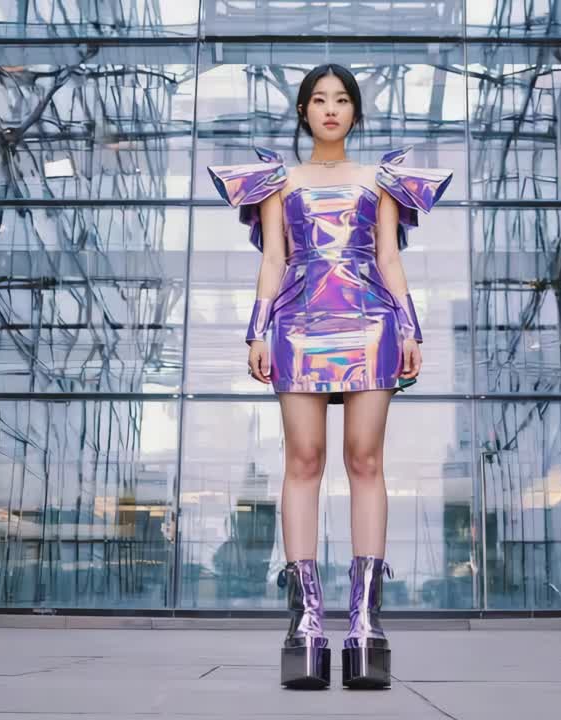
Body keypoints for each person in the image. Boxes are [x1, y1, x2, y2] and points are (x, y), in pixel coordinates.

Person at [206, 63, 452, 690]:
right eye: (319, 99)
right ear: (303, 110)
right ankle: (308, 624)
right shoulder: (276, 180)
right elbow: (274, 259)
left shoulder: (382, 178)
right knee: (304, 461)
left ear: (355, 111)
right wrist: (257, 329)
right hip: (298, 323)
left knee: (365, 461)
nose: (331, 109)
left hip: (371, 320)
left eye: (342, 100)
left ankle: (365, 624)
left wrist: (412, 329)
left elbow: (390, 257)